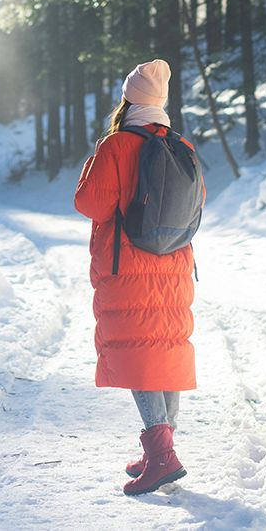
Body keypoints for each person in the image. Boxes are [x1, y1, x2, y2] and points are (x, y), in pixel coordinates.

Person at [73, 59, 198, 496]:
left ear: (128, 101)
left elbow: (91, 204)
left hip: (129, 267)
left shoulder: (117, 146)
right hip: (174, 266)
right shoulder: (182, 145)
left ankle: (162, 457)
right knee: (163, 352)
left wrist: (95, 160)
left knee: (139, 357)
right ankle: (160, 448)